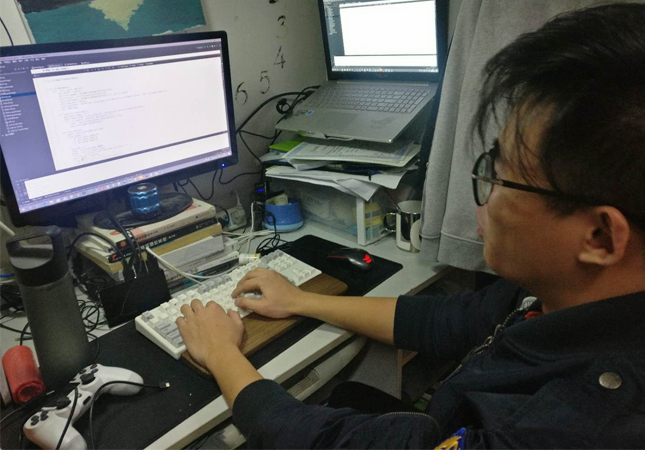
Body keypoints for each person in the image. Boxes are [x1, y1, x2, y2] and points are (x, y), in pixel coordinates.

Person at [175, 3, 645, 448]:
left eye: (499, 175)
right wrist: (301, 300)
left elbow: (328, 442)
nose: (481, 189)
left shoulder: (580, 426)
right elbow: (451, 320)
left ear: (600, 237)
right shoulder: (567, 296)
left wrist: (222, 354)